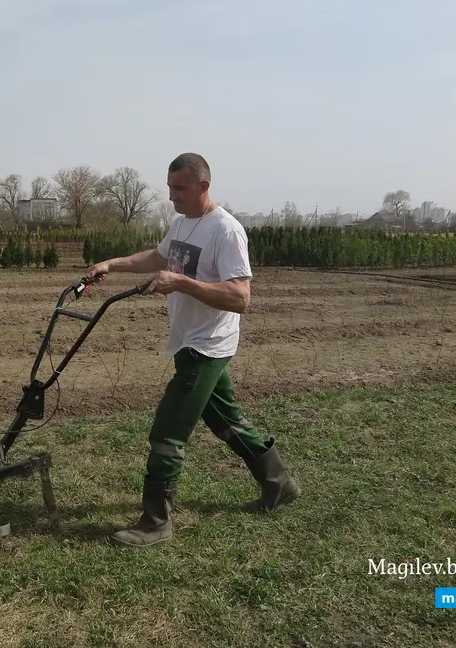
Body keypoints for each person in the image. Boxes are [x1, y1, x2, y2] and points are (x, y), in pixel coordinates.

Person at [86, 152, 299, 547]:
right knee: (225, 420)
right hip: (188, 342)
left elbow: (240, 296)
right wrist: (111, 264)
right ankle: (279, 483)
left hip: (209, 347)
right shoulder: (182, 223)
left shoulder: (226, 231)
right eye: (169, 188)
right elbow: (158, 256)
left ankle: (156, 522)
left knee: (168, 429)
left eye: (180, 189)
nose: (172, 196)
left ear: (204, 186)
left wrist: (181, 283)